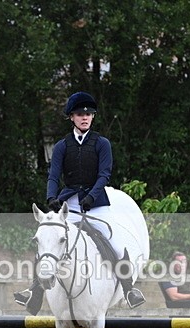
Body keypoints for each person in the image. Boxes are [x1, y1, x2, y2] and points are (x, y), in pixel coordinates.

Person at [14, 91, 146, 313]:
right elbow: (54, 175)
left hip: (98, 202)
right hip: (70, 203)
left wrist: (92, 196)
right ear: (71, 117)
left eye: (89, 114)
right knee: (48, 241)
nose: (85, 117)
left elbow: (104, 175)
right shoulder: (62, 146)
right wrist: (51, 197)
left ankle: (129, 289)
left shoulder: (102, 143)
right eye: (80, 114)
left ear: (92, 117)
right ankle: (34, 292)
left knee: (115, 243)